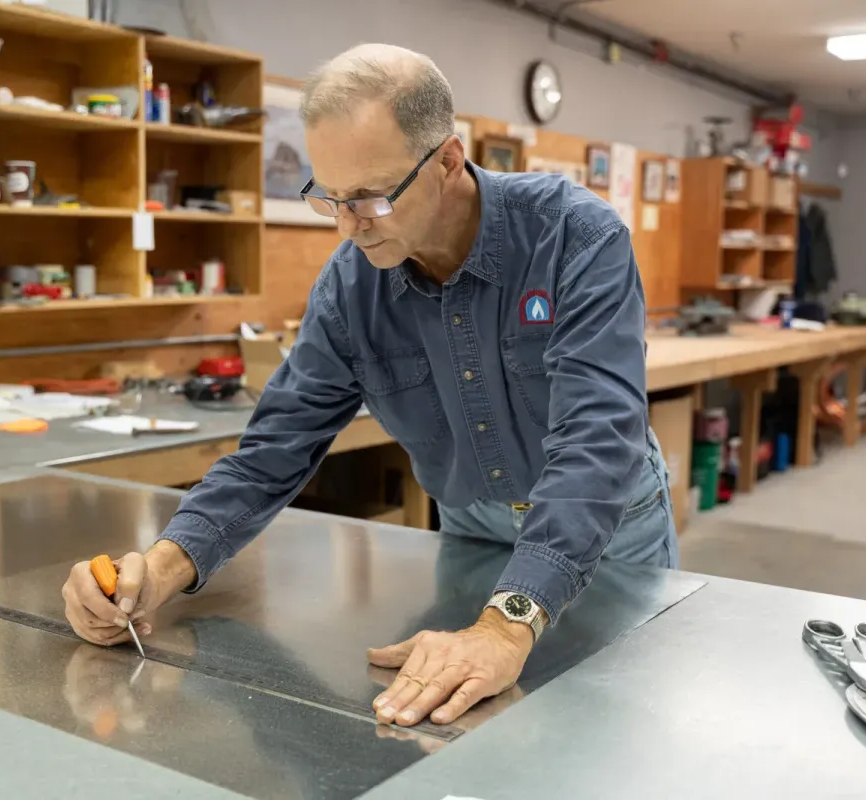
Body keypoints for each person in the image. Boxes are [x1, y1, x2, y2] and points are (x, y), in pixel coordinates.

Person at [62, 43, 678, 729]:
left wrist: (506, 625)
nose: (349, 225)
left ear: (447, 159)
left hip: (609, 531)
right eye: (330, 198)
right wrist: (162, 569)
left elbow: (597, 442)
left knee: (608, 728)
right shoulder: (352, 289)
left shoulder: (575, 238)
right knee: (476, 736)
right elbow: (273, 452)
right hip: (473, 530)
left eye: (371, 197)